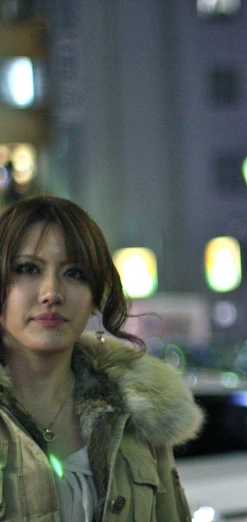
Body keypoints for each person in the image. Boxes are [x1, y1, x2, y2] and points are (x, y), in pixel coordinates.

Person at [0, 195, 203, 521]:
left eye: (75, 273)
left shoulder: (137, 411)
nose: (52, 292)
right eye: (28, 269)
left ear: (95, 298)